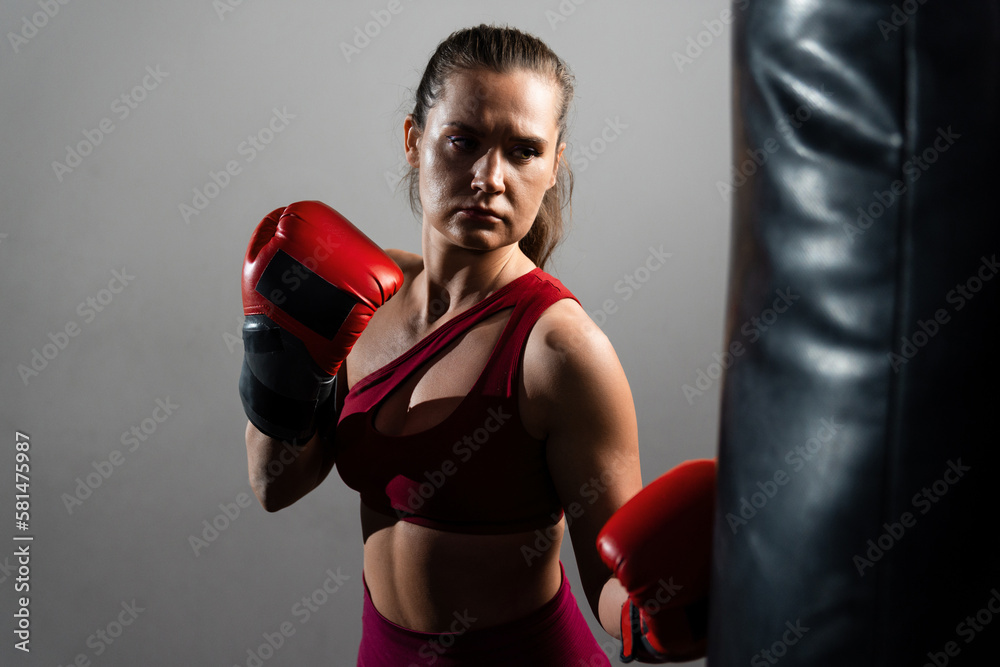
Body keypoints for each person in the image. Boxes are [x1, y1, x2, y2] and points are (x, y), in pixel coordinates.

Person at [240, 25, 709, 666]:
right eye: (463, 141)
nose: (489, 177)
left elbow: (612, 596)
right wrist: (280, 366)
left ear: (553, 165)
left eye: (524, 151)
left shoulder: (562, 352)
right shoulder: (359, 298)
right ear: (414, 141)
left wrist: (658, 615)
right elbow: (274, 485)